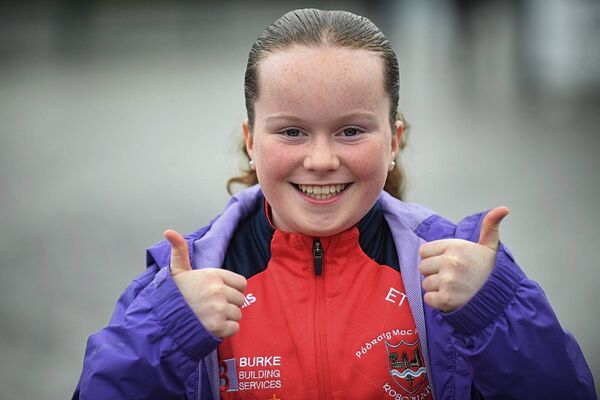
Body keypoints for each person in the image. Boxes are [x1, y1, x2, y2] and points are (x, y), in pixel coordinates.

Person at [73, 8, 596, 400]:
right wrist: (169, 333)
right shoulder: (181, 288)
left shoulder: (460, 274)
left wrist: (492, 313)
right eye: (292, 131)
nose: (321, 160)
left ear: (394, 139)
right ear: (251, 140)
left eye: (351, 131)